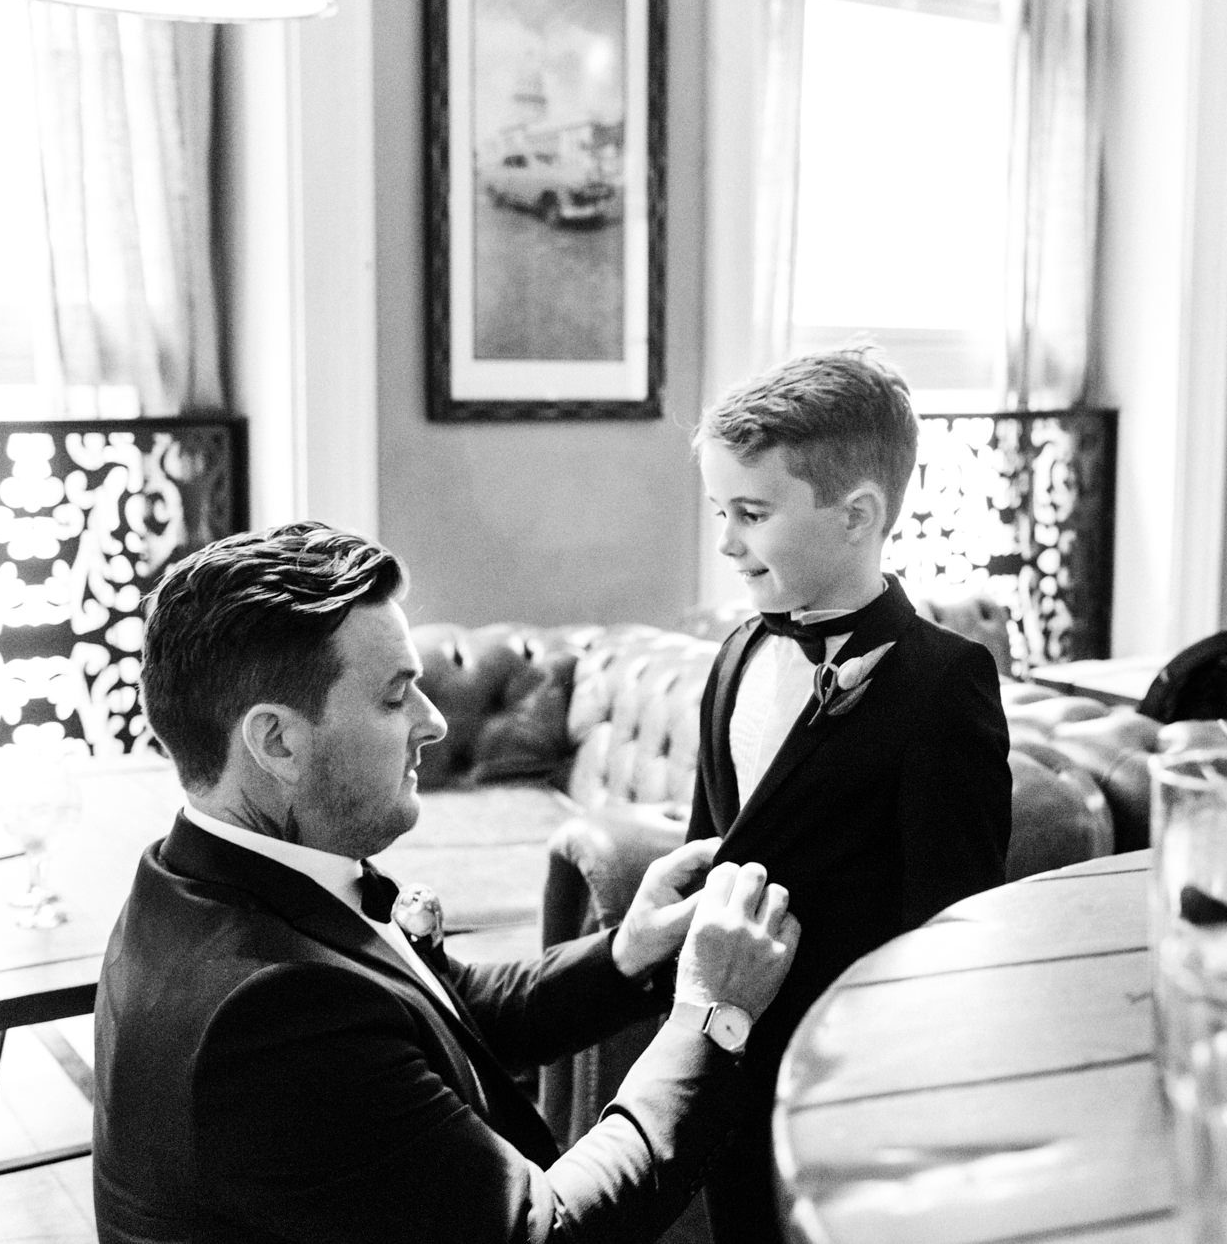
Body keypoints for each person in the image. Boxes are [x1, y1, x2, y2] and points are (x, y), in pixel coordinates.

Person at [94, 522, 801, 1244]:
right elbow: (545, 1233)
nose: (432, 722)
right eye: (395, 696)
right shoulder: (266, 1019)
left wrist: (627, 953)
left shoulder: (216, 870)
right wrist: (711, 1016)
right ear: (277, 741)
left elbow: (455, 1009)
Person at [689, 345, 1013, 1242]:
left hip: (847, 1074)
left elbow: (949, 922)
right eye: (720, 511)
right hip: (724, 1055)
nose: (726, 541)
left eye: (752, 513)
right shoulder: (736, 652)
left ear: (857, 514)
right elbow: (708, 847)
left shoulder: (943, 683)